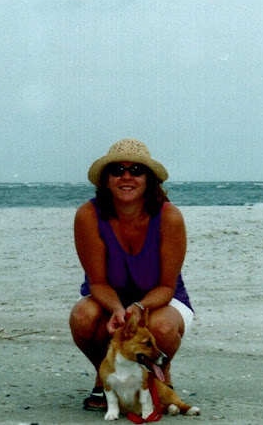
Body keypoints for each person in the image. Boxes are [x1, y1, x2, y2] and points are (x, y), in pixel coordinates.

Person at [69, 138, 194, 411]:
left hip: (161, 299)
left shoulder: (169, 217)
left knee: (161, 327)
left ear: (149, 179)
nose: (126, 177)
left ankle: (160, 375)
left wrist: (138, 307)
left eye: (136, 170)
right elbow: (97, 282)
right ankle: (106, 375)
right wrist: (117, 308)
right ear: (106, 179)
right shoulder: (88, 215)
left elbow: (167, 286)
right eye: (117, 170)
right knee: (83, 316)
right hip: (107, 298)